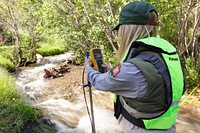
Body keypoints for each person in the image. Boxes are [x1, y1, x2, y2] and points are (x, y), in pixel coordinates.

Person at [84, 1, 186, 133]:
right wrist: (111, 72)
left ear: (127, 29)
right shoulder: (167, 55)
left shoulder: (132, 69)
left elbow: (100, 83)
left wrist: (88, 68)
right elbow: (153, 84)